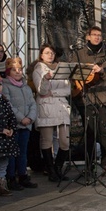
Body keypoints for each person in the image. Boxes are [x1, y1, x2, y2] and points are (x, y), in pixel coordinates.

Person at [73, 26, 106, 176]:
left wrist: (102, 72)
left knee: (104, 131)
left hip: (105, 98)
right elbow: (73, 74)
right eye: (94, 35)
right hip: (87, 97)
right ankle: (89, 165)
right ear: (88, 36)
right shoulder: (79, 54)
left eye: (99, 35)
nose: (97, 37)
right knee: (89, 133)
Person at [31, 43, 71, 182]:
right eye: (47, 52)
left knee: (65, 142)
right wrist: (46, 79)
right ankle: (50, 170)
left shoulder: (62, 68)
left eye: (52, 52)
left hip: (61, 106)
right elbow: (41, 91)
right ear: (41, 55)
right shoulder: (38, 69)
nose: (50, 55)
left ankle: (58, 167)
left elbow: (68, 90)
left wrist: (52, 92)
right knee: (46, 140)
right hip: (46, 107)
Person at [2, 57, 38, 190]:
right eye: (14, 70)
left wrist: (30, 117)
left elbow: (32, 103)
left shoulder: (26, 87)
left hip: (26, 125)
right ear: (8, 71)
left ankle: (22, 175)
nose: (18, 72)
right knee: (12, 152)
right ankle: (10, 177)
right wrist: (21, 118)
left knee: (23, 151)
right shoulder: (5, 86)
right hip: (14, 125)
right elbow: (8, 104)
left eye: (20, 69)